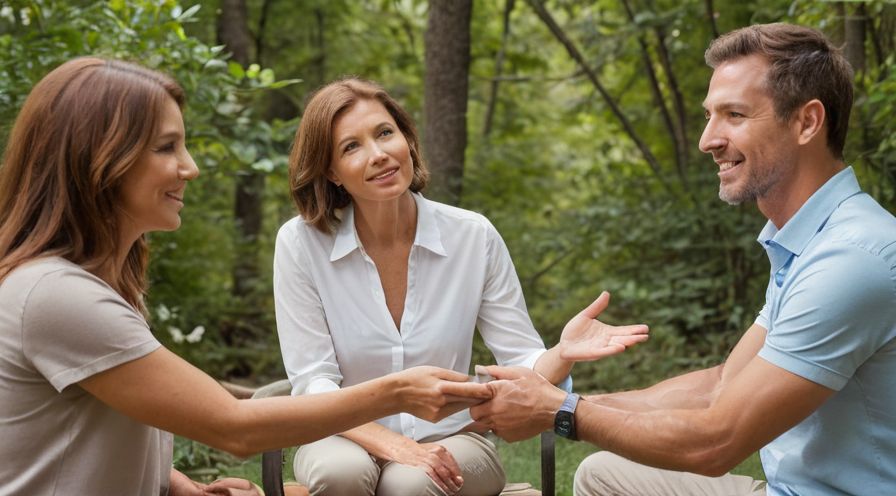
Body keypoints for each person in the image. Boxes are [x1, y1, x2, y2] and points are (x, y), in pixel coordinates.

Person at [0, 57, 495, 496]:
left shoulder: (98, 289)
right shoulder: (55, 295)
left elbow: (97, 429)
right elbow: (234, 427)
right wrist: (398, 391)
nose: (189, 168)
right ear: (100, 161)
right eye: (167, 148)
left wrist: (176, 485)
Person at [469, 22, 896, 496]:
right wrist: (563, 399)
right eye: (709, 116)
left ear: (807, 122)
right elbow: (720, 386)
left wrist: (558, 413)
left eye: (734, 114)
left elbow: (717, 441)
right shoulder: (807, 243)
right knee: (602, 474)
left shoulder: (852, 260)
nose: (707, 140)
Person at [273, 77, 649, 496]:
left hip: (452, 438)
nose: (379, 155)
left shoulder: (474, 236)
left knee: (414, 484)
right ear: (331, 171)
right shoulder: (300, 243)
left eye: (385, 133)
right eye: (351, 146)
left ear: (406, 139)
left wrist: (561, 354)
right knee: (341, 473)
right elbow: (313, 382)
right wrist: (395, 445)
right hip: (339, 434)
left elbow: (520, 360)